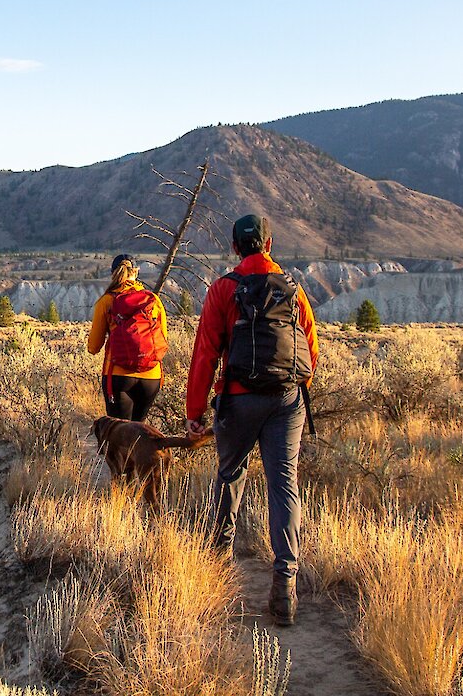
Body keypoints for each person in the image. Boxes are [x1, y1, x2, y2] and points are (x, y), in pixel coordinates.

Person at [185, 214, 318, 625]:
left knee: (230, 475)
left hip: (239, 400)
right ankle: (284, 588)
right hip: (287, 401)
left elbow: (206, 353)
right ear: (270, 243)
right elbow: (310, 354)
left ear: (234, 247)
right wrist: (287, 387)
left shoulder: (224, 289)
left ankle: (220, 563)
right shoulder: (293, 290)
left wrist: (194, 411)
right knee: (284, 486)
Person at [88, 254, 168, 422]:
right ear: (136, 272)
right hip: (151, 376)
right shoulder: (153, 300)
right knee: (139, 432)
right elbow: (163, 340)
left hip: (118, 375)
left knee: (119, 435)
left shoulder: (107, 301)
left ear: (113, 274)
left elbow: (93, 347)